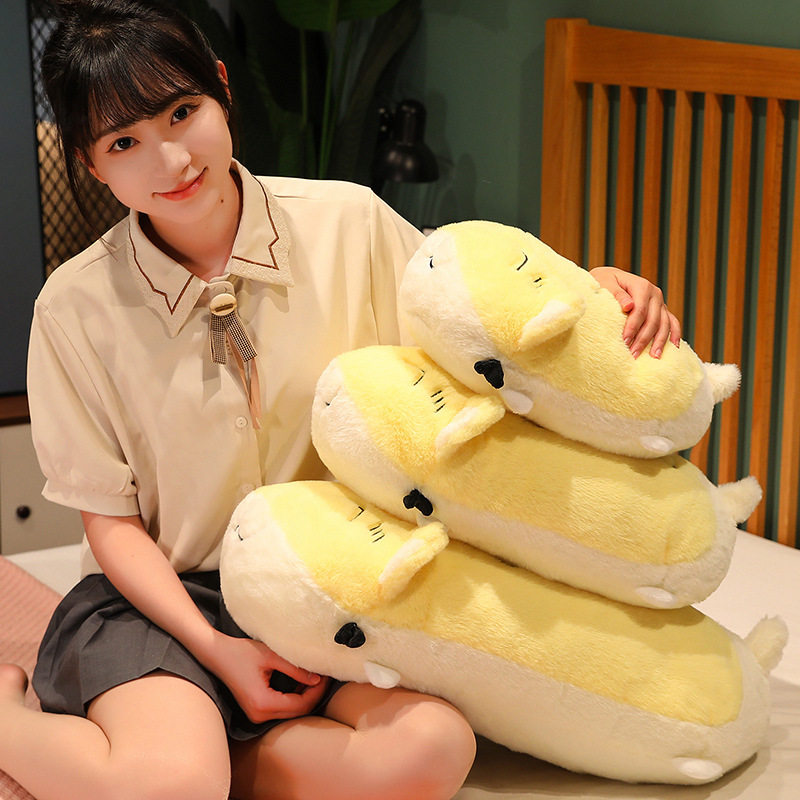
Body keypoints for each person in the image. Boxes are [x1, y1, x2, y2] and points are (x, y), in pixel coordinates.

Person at [0, 2, 681, 799]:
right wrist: (219, 652)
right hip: (168, 603)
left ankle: (206, 754)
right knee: (172, 789)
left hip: (331, 585)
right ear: (91, 164)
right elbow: (111, 525)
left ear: (221, 88)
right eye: (125, 143)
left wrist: (592, 293)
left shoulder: (349, 225)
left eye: (182, 112)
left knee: (432, 749)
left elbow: (475, 320)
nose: (172, 159)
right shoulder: (74, 309)